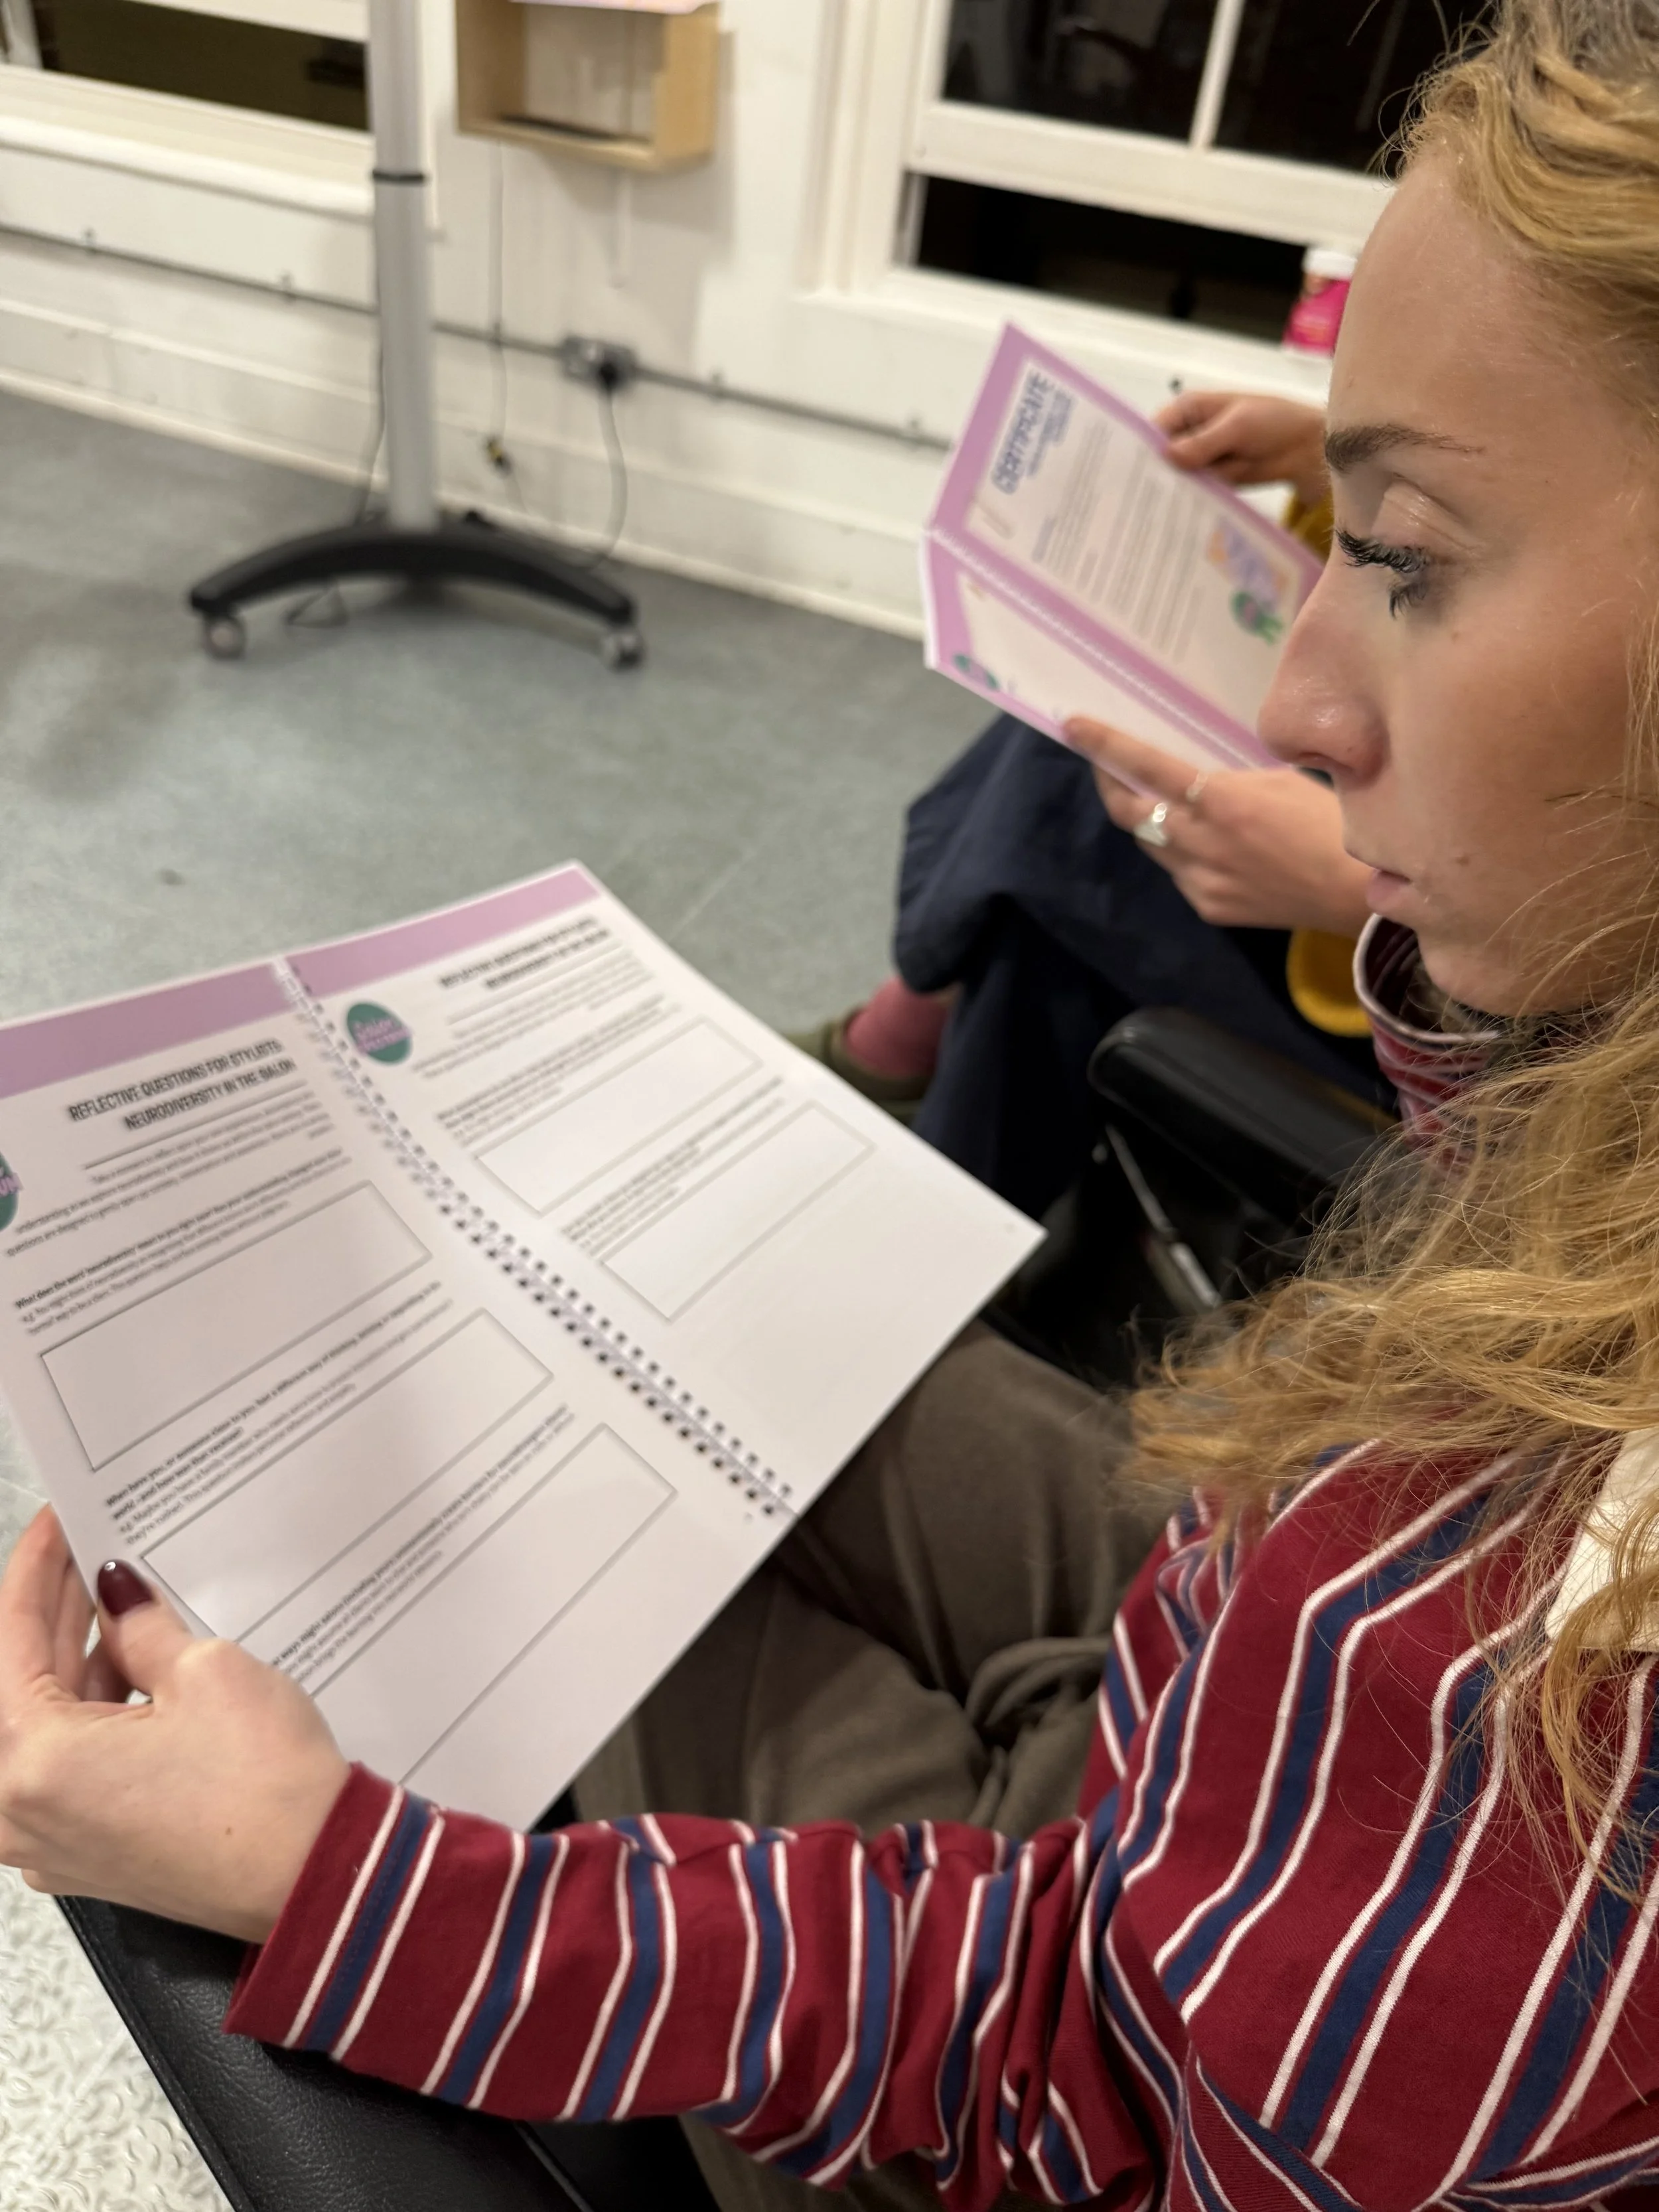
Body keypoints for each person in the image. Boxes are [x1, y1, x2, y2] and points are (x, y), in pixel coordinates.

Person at [7, 4, 1659, 2207]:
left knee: (558, 1525)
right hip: (1246, 1686)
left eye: (1415, 557)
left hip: (1111, 1996)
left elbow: (1089, 2081)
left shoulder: (1559, 1712)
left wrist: (338, 1879)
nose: (1300, 696)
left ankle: (886, 1063)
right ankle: (888, 1127)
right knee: (662, 1328)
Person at [796, 395, 1394, 1220]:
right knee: (1077, 840)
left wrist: (1353, 886)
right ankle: (937, 1204)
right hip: (1426, 854)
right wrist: (1333, 466)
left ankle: (896, 1049)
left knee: (1081, 808)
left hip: (1485, 1040)